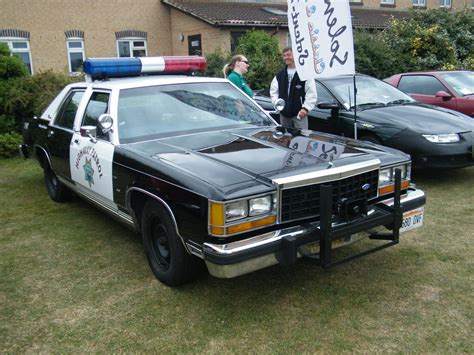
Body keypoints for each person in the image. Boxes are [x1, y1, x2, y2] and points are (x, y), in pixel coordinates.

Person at [270, 47, 317, 129]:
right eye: (284, 56)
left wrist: (305, 109)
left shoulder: (305, 74)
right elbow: (273, 92)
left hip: (299, 115)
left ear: (295, 55)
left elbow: (311, 93)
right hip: (284, 115)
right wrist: (277, 104)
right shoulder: (279, 75)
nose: (286, 57)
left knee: (302, 139)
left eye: (288, 55)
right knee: (284, 139)